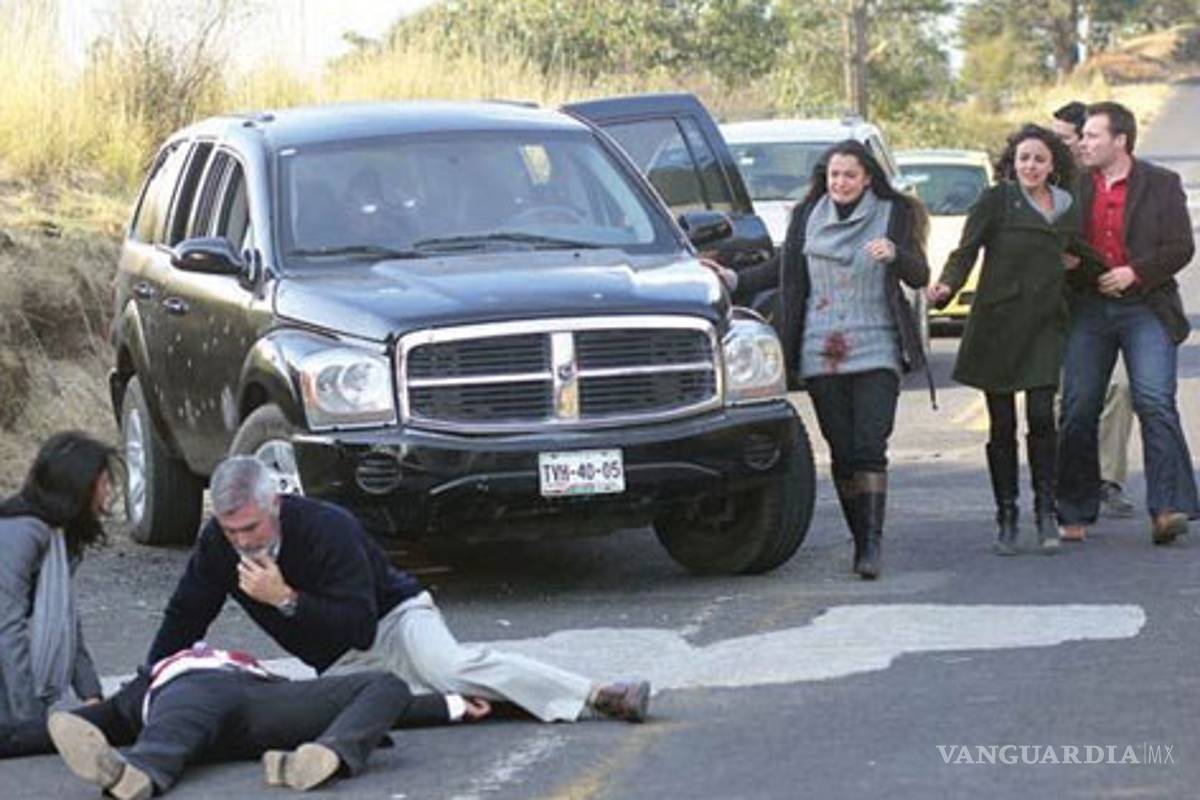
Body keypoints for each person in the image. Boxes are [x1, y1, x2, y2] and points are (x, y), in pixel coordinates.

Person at [146, 456, 651, 725]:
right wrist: (148, 683)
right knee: (377, 710)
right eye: (231, 532)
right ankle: (497, 702)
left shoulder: (327, 528)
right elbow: (186, 616)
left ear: (275, 503)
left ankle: (600, 695)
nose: (242, 542)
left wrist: (286, 599)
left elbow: (361, 624)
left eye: (250, 528)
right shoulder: (218, 545)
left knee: (449, 668)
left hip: (395, 619)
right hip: (340, 660)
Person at [928, 125, 1097, 555]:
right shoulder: (996, 200)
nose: (1031, 166)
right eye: (1024, 158)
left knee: (1043, 418)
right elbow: (965, 251)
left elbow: (1079, 254)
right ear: (1012, 162)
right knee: (1001, 424)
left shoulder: (1065, 207)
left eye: (1039, 159)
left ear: (1052, 165)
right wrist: (946, 286)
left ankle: (1045, 512)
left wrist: (1098, 271)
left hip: (1044, 324)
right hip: (998, 323)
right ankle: (1007, 514)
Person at [46, 642, 486, 799]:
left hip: (261, 704)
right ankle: (137, 771)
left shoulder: (246, 670)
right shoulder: (148, 685)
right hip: (191, 696)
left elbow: (371, 709)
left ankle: (328, 751)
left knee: (385, 685)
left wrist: (452, 704)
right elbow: (52, 728)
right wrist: (60, 722)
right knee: (183, 718)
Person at [777, 139, 930, 579]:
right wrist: (731, 276)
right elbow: (784, 270)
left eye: (849, 175)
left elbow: (919, 274)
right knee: (842, 451)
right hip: (820, 348)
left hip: (876, 344)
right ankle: (859, 536)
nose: (840, 183)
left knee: (869, 446)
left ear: (867, 179)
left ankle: (870, 545)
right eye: (833, 176)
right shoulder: (807, 217)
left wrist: (896, 255)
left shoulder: (892, 213)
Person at [1056, 101, 1198, 544]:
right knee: (1078, 407)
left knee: (1155, 401)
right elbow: (1059, 242)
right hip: (1089, 307)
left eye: (1093, 135)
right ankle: (1075, 509)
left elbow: (1180, 247)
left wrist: (1134, 273)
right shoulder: (1072, 187)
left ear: (1121, 140)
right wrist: (1070, 264)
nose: (1084, 143)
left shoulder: (1161, 183)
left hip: (1146, 306)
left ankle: (1168, 509)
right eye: (1083, 136)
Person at [1051, 101, 1137, 520]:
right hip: (1066, 311)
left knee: (1121, 389)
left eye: (1077, 137)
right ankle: (1066, 483)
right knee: (1069, 400)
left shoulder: (1117, 181)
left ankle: (1108, 480)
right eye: (1070, 139)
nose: (1074, 145)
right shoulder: (1054, 187)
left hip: (1120, 305)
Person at [0, 432, 115, 729]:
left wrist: (92, 697)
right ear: (78, 488)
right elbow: (7, 627)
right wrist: (29, 721)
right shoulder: (22, 533)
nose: (109, 494)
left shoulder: (60, 536)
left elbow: (65, 622)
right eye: (103, 484)